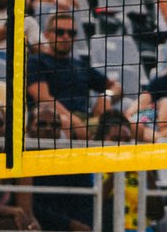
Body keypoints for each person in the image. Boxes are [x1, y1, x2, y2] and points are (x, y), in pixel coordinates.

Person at [26, 10, 121, 140]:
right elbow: (43, 98)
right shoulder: (36, 62)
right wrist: (75, 122)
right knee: (62, 123)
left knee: (127, 125)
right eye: (60, 32)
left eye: (71, 33)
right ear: (47, 35)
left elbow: (116, 87)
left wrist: (106, 96)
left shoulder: (80, 65)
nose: (66, 37)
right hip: (53, 119)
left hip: (85, 120)